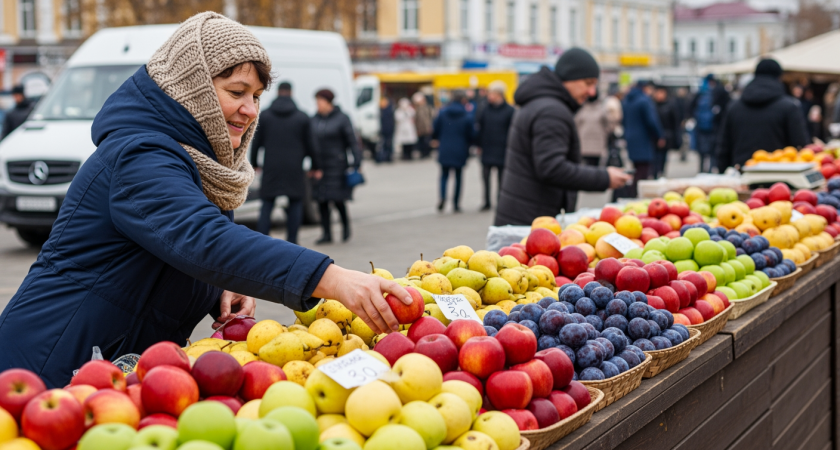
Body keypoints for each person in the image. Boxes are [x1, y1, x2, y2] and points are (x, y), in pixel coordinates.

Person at [0, 12, 412, 388]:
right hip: (46, 366)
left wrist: (215, 287)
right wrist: (332, 278)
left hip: (111, 373)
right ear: (190, 87)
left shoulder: (201, 163)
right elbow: (200, 238)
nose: (250, 110)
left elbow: (175, 251)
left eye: (256, 96)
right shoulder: (139, 155)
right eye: (237, 91)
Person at [494, 48, 632, 226]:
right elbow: (552, 167)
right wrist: (604, 177)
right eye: (588, 83)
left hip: (524, 214)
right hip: (532, 221)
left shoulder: (542, 102)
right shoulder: (552, 111)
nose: (592, 92)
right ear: (569, 78)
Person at [250, 81, 320, 244]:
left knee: (267, 203)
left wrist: (255, 163)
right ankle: (292, 240)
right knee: (295, 203)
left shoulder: (265, 115)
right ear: (291, 93)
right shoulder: (302, 117)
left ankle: (262, 241)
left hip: (271, 166)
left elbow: (256, 142)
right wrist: (316, 166)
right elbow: (311, 145)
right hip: (294, 167)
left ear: (278, 92)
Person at [717, 58, 809, 171]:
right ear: (779, 77)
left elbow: (723, 148)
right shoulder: (789, 107)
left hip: (741, 175)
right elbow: (800, 146)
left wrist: (723, 174)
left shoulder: (734, 107)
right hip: (781, 178)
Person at [312, 88, 363, 244]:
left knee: (338, 200)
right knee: (322, 201)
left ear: (328, 103)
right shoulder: (314, 119)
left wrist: (357, 162)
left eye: (320, 101)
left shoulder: (342, 118)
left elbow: (352, 142)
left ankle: (346, 228)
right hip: (320, 166)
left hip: (337, 166)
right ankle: (326, 233)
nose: (317, 105)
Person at [475, 80, 515, 211]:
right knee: (485, 178)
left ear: (500, 94)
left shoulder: (510, 111)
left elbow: (513, 132)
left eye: (492, 93)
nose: (489, 96)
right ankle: (486, 201)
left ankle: (500, 202)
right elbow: (479, 128)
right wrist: (478, 145)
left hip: (503, 150)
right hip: (487, 149)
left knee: (501, 180)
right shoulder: (484, 109)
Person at [433, 90, 474, 213]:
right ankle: (456, 203)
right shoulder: (467, 115)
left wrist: (436, 140)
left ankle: (443, 198)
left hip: (445, 147)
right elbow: (471, 134)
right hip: (460, 148)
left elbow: (435, 129)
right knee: (458, 177)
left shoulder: (443, 112)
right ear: (463, 100)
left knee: (444, 175)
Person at [622, 81, 663, 197]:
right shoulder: (644, 100)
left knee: (637, 168)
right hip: (643, 139)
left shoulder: (627, 100)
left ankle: (632, 192)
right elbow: (651, 121)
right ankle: (635, 194)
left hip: (631, 138)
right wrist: (659, 135)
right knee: (643, 170)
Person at [691, 75, 729, 172]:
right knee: (713, 152)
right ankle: (711, 170)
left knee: (702, 153)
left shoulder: (700, 93)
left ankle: (701, 170)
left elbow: (691, 108)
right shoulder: (719, 91)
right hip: (714, 128)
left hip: (701, 128)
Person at [575, 95, 612, 167]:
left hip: (584, 144)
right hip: (597, 144)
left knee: (585, 166)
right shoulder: (602, 109)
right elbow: (608, 125)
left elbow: (576, 124)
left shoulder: (581, 109)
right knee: (594, 166)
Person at [653, 85, 681, 179]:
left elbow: (675, 122)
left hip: (667, 135)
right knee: (655, 157)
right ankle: (655, 173)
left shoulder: (670, 105)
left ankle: (661, 173)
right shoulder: (652, 105)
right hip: (654, 136)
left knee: (662, 157)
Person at [413, 92, 435, 158]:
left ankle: (427, 153)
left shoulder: (428, 108)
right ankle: (423, 153)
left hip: (427, 127)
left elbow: (432, 117)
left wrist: (431, 126)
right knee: (421, 142)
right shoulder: (417, 109)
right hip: (420, 128)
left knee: (427, 141)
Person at [377, 97, 395, 162]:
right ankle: (384, 157)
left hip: (389, 130)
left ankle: (389, 157)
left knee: (389, 144)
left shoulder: (389, 110)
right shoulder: (382, 110)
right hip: (384, 130)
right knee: (383, 144)